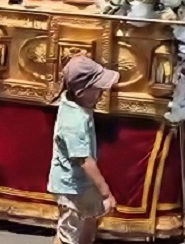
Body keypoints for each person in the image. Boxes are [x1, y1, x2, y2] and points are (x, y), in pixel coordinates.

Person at [48, 54, 119, 244]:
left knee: (91, 217)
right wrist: (106, 192)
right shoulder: (74, 122)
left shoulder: (74, 105)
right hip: (71, 187)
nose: (102, 93)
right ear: (82, 92)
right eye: (98, 90)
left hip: (83, 185)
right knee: (67, 235)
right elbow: (85, 161)